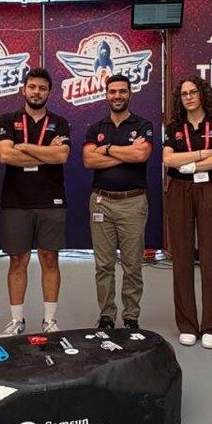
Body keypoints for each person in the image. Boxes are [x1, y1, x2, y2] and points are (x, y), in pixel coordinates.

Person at [0, 68, 71, 336]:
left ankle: (49, 321)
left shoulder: (60, 122)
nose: (37, 92)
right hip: (16, 201)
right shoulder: (8, 119)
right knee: (18, 260)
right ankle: (17, 321)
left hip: (51, 201)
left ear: (50, 92)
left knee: (50, 258)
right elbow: (6, 155)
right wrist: (46, 151)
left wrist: (24, 147)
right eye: (32, 87)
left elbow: (61, 156)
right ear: (23, 90)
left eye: (42, 88)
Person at [162, 76, 212, 349]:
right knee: (181, 256)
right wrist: (202, 154)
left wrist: (190, 163)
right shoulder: (174, 127)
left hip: (209, 189)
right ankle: (187, 324)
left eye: (193, 92)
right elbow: (168, 159)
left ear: (202, 94)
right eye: (184, 94)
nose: (189, 97)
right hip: (179, 189)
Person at [83, 74, 154, 330]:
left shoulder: (143, 125)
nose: (117, 96)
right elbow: (88, 160)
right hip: (101, 202)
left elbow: (141, 154)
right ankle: (107, 316)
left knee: (132, 264)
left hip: (132, 203)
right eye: (112, 91)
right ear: (106, 95)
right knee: (104, 265)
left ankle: (131, 316)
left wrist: (106, 149)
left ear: (130, 94)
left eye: (122, 91)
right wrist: (126, 152)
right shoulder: (96, 128)